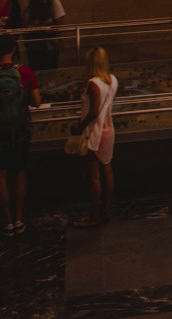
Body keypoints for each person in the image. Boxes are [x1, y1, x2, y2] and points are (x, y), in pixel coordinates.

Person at [0, 35, 41, 235]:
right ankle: (19, 218)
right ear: (14, 49)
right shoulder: (25, 73)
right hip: (19, 129)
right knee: (19, 172)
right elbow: (37, 102)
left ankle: (7, 222)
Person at [72, 47, 118, 228]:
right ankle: (106, 211)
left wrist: (80, 126)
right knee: (107, 170)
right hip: (109, 130)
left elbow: (93, 111)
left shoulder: (93, 83)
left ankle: (94, 216)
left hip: (95, 133)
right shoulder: (113, 80)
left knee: (94, 177)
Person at [23, 0, 66, 71]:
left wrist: (42, 28)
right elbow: (25, 23)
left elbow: (59, 23)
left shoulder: (55, 3)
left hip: (50, 44)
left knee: (50, 68)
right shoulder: (32, 5)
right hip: (34, 44)